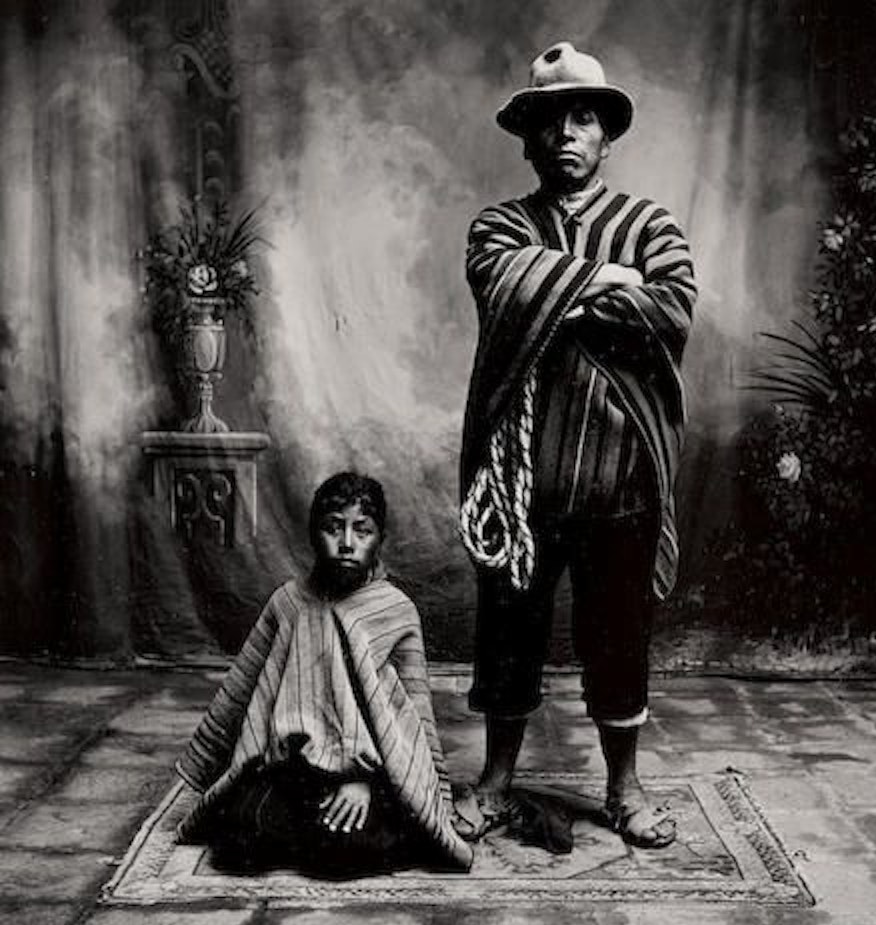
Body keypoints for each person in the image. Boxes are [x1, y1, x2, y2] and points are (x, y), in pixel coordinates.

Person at [458, 42, 696, 848]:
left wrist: (554, 295)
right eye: (549, 121)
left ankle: (624, 790)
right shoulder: (498, 225)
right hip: (520, 480)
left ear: (606, 137)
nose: (566, 133)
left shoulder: (650, 225)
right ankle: (495, 784)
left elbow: (671, 310)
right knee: (508, 634)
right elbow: (501, 284)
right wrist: (614, 281)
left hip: (619, 476)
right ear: (528, 140)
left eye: (583, 118)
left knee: (618, 639)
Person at [174, 472, 472, 876]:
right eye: (334, 528)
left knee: (337, 855)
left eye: (362, 531)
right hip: (293, 769)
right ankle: (299, 828)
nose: (347, 542)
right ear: (315, 534)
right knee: (237, 845)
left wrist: (379, 784)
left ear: (379, 539)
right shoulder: (289, 602)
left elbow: (413, 717)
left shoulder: (395, 609)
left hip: (370, 774)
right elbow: (244, 690)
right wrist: (215, 762)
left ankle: (336, 827)